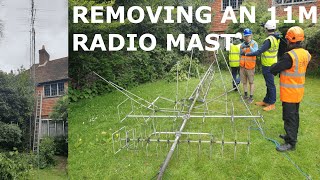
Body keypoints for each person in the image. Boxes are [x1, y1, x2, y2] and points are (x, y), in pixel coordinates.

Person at [270, 26, 311, 152]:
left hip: (290, 92)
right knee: (294, 115)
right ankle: (290, 136)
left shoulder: (289, 56)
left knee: (289, 117)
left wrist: (274, 65)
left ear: (289, 40)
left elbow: (274, 69)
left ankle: (290, 143)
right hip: (298, 91)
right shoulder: (306, 54)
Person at [245, 21, 280, 111]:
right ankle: (266, 101)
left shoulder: (269, 40)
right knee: (268, 84)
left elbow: (258, 52)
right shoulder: (276, 37)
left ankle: (272, 103)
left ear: (266, 29)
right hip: (272, 63)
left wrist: (247, 54)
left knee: (270, 85)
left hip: (268, 65)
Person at [240, 28, 258, 104]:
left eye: (248, 36)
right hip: (242, 66)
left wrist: (249, 46)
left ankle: (251, 97)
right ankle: (245, 95)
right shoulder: (242, 44)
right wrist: (243, 49)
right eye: (245, 36)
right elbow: (240, 53)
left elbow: (256, 52)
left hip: (250, 66)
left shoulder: (254, 43)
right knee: (244, 82)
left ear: (251, 36)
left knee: (251, 82)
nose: (246, 38)